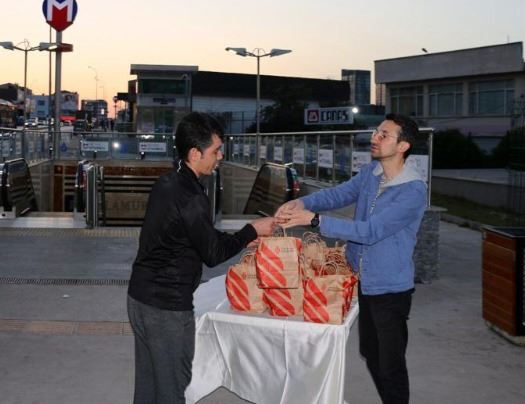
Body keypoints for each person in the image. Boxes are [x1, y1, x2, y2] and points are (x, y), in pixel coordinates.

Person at [127, 112, 278, 404]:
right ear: (195, 153)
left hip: (140, 298)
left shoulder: (168, 182)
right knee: (171, 390)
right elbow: (212, 253)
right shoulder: (192, 196)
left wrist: (243, 238)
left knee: (148, 387)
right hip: (167, 308)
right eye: (216, 151)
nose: (220, 156)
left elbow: (198, 235)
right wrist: (251, 229)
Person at [276, 113, 426, 404]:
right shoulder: (372, 173)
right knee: (370, 352)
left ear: (403, 146)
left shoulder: (413, 190)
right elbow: (338, 195)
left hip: (390, 288)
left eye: (384, 135)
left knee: (391, 364)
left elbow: (371, 231)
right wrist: (301, 202)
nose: (375, 138)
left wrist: (314, 220)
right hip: (365, 280)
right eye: (376, 132)